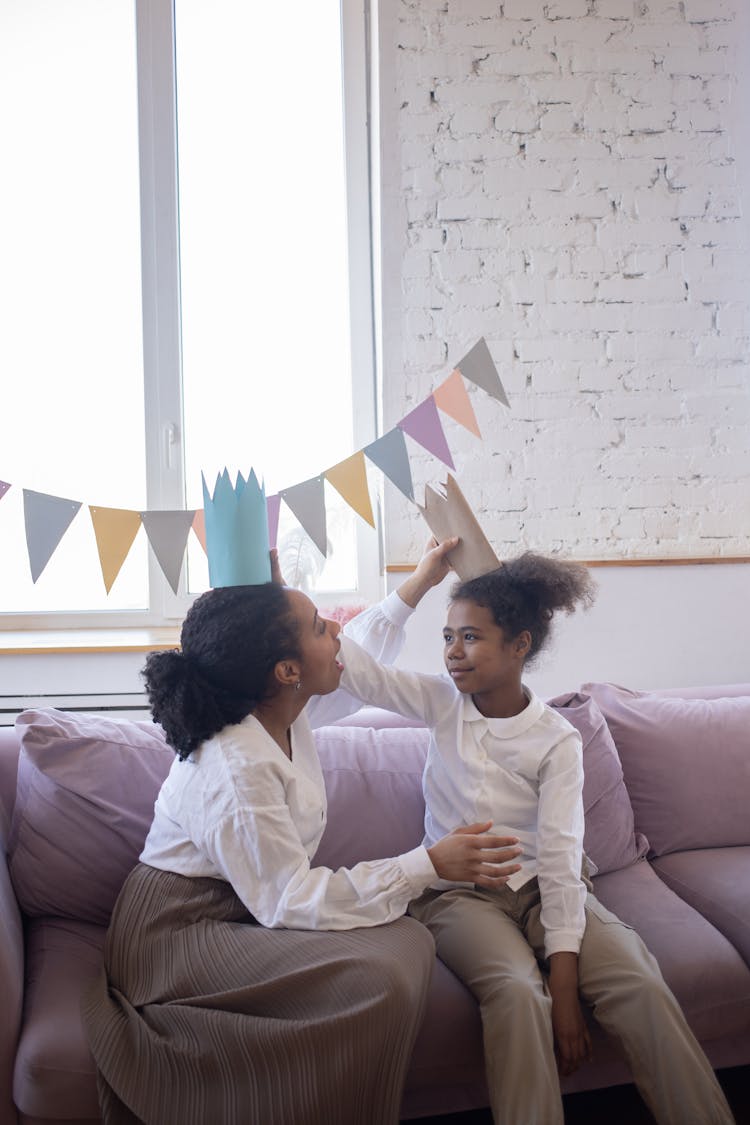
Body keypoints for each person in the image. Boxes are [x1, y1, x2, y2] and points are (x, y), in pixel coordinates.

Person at [82, 540, 523, 1125]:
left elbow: (354, 657)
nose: (335, 631)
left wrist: (418, 583)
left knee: (410, 942)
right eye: (319, 626)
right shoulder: (235, 764)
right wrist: (428, 864)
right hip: (178, 929)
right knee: (383, 973)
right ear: (287, 670)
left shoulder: (282, 709)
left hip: (243, 904)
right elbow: (287, 898)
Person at [339, 550, 735, 1125]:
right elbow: (359, 669)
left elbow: (558, 859)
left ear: (520, 645)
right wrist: (422, 579)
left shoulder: (556, 741)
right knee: (518, 992)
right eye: (448, 637)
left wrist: (567, 986)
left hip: (547, 889)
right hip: (459, 896)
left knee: (640, 981)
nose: (453, 652)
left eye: (471, 637)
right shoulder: (440, 703)